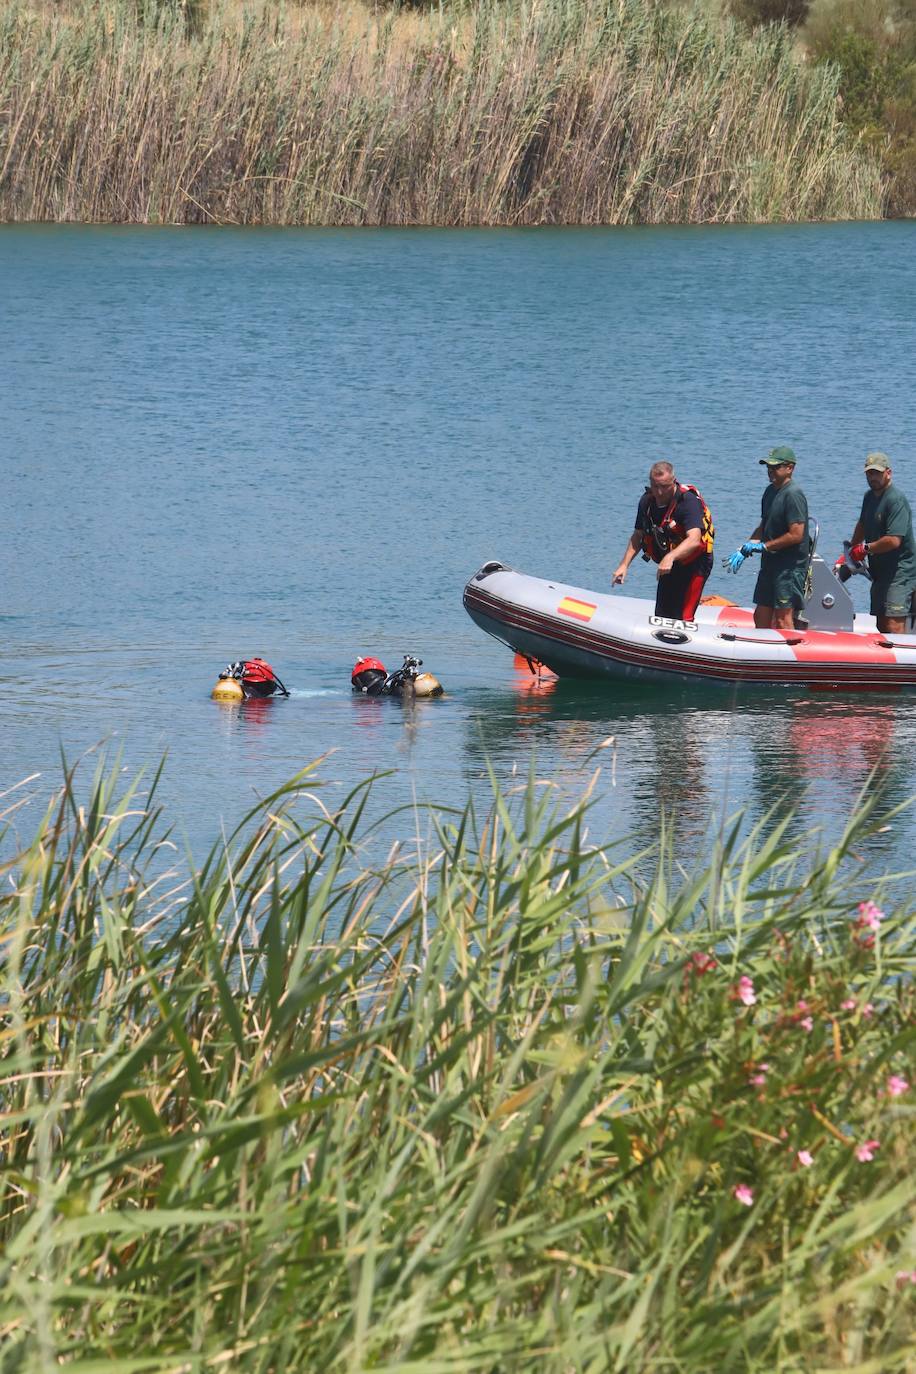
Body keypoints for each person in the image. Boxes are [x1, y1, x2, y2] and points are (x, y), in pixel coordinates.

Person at [612, 460, 714, 620]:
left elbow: (694, 539)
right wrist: (624, 565)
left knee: (683, 617)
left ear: (674, 482)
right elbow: (638, 535)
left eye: (664, 486)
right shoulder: (647, 502)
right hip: (669, 564)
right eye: (655, 486)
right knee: (663, 614)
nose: (659, 492)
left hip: (696, 562)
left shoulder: (687, 502)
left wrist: (670, 557)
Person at [724, 446, 809, 630]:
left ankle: (789, 656)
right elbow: (764, 527)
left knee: (782, 619)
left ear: (790, 468)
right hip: (769, 564)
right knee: (760, 616)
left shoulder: (793, 494)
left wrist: (763, 547)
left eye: (776, 467)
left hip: (788, 568)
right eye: (768, 467)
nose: (770, 471)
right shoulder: (770, 491)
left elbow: (797, 534)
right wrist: (746, 547)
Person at [836, 452, 916, 635]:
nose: (872, 477)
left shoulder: (895, 500)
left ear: (888, 473)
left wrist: (864, 548)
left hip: (900, 572)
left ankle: (904, 661)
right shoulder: (869, 497)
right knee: (881, 623)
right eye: (869, 473)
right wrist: (848, 554)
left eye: (876, 473)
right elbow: (863, 524)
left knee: (893, 625)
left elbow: (894, 540)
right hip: (880, 570)